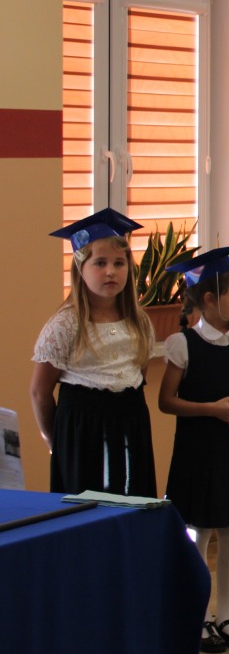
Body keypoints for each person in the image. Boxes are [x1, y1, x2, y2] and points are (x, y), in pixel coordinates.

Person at [158, 244, 229, 653]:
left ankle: (225, 615)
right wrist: (212, 410)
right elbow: (167, 401)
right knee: (199, 531)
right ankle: (198, 616)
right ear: (210, 299)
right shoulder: (183, 344)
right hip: (199, 452)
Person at [31, 208, 157, 497]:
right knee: (88, 504)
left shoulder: (139, 321)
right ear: (80, 268)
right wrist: (56, 440)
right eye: (100, 263)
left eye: (119, 263)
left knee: (132, 499)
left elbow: (140, 371)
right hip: (82, 428)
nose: (110, 271)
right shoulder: (65, 324)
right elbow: (39, 392)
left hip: (130, 423)